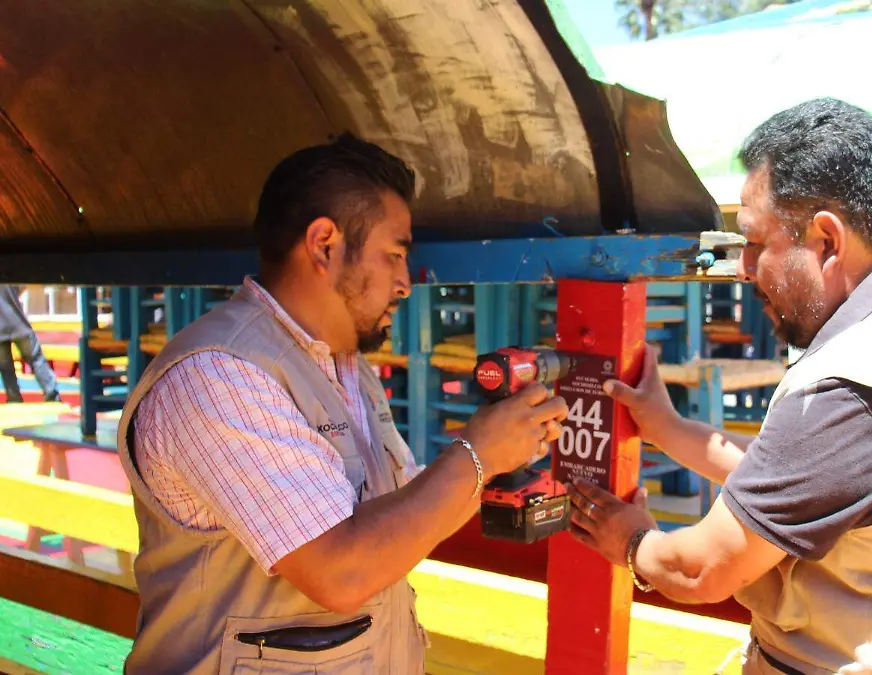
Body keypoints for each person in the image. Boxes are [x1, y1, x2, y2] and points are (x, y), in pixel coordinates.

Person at [567, 98, 872, 675]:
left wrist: (630, 540)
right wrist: (670, 429)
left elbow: (701, 569)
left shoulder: (857, 387)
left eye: (756, 242)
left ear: (825, 240)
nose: (744, 268)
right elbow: (818, 481)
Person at [115, 133, 569, 674]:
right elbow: (342, 573)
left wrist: (502, 458)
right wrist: (477, 454)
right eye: (395, 254)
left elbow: (400, 518)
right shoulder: (219, 376)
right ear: (325, 244)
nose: (405, 283)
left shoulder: (345, 368)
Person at [0, 285, 61, 403]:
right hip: (20, 325)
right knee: (37, 360)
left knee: (6, 368)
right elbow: (21, 287)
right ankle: (52, 394)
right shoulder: (8, 273)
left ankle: (14, 398)